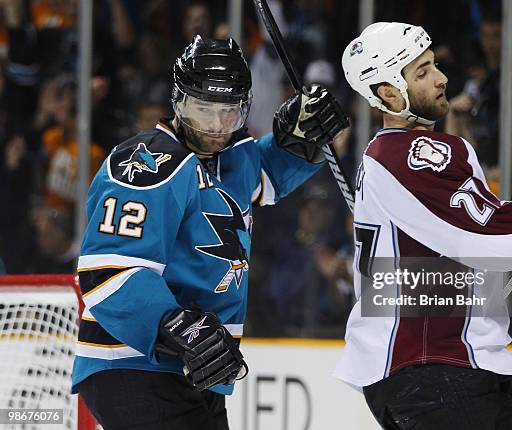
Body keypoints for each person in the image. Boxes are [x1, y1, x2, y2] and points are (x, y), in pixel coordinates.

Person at [72, 35, 348, 429]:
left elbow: (260, 173)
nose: (217, 126)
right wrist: (178, 326)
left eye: (229, 112)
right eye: (204, 110)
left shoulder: (230, 157)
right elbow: (109, 273)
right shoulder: (149, 162)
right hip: (132, 359)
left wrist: (302, 139)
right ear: (178, 101)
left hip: (196, 365)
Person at [335, 22, 512, 429]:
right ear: (389, 94)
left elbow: (470, 229)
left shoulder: (383, 156)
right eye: (421, 73)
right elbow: (488, 238)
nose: (440, 78)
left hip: (424, 374)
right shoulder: (410, 154)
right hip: (438, 368)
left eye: (434, 65)